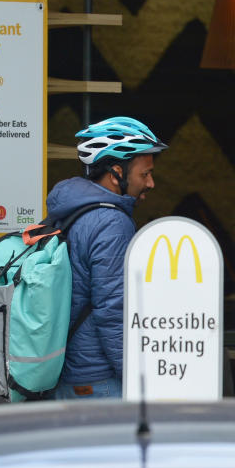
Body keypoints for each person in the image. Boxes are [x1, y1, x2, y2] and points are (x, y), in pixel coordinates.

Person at [46, 116, 168, 400]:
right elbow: (114, 311)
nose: (150, 183)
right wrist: (137, 379)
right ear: (117, 173)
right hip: (99, 381)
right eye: (144, 174)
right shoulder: (111, 223)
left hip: (71, 376)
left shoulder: (71, 211)